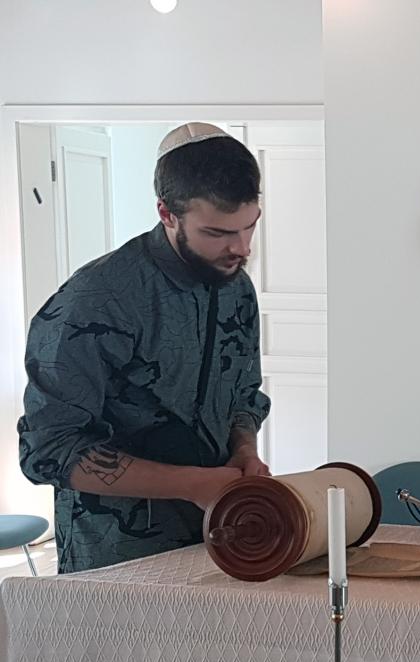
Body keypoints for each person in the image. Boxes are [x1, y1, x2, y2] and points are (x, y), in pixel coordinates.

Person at [17, 122, 271, 573]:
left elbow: (243, 396)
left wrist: (244, 452)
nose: (241, 248)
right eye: (217, 232)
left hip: (220, 540)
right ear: (167, 213)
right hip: (114, 558)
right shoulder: (94, 300)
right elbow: (48, 449)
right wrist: (194, 484)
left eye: (249, 226)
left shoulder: (236, 288)